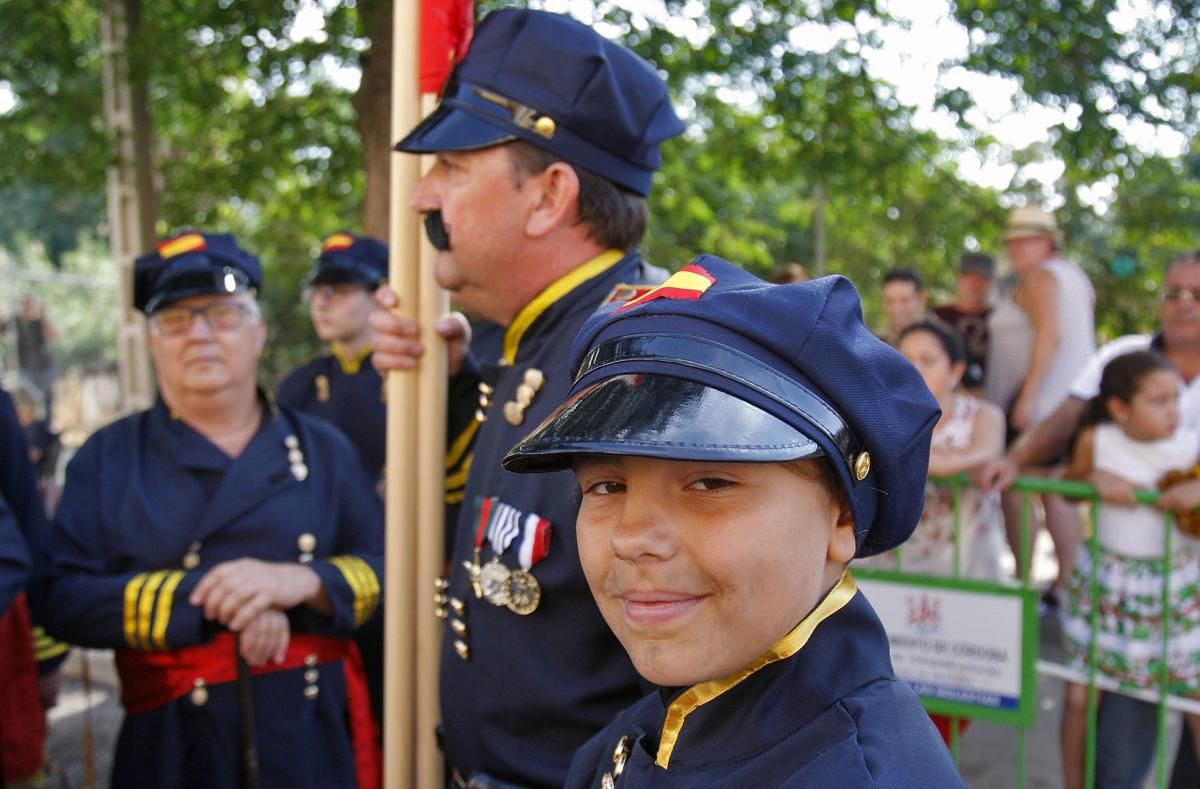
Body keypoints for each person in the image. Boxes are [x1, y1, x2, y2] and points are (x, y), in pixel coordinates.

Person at [500, 257, 963, 786]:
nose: (631, 537)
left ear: (840, 516)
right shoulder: (647, 733)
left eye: (710, 484)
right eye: (606, 486)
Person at [371, 8, 684, 785]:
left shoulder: (641, 371)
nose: (421, 199)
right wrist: (444, 400)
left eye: (451, 167)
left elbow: (699, 700)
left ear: (549, 197)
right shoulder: (531, 348)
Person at [35, 231, 384, 788]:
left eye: (223, 314)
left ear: (259, 332)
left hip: (310, 738)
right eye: (174, 320)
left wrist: (300, 581)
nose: (199, 334)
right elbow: (59, 596)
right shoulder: (108, 457)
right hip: (172, 747)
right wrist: (217, 599)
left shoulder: (324, 449)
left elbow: (390, 566)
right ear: (152, 342)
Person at [975, 250, 1200, 787]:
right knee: (1117, 742)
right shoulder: (1125, 357)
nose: (1183, 305)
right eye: (1174, 292)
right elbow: (1067, 417)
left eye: (1196, 294)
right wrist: (1014, 459)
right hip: (1126, 593)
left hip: (1186, 594)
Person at [1058, 350, 1200, 789]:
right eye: (1159, 401)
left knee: (1195, 699)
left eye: (1175, 399)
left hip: (1173, 589)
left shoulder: (1190, 444)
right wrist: (1092, 480)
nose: (1173, 411)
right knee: (1081, 697)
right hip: (1107, 586)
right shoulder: (1097, 440)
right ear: (1120, 408)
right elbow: (1067, 487)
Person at [986, 206, 1095, 598]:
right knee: (1055, 490)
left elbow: (1052, 335)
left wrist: (1028, 396)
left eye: (1024, 239)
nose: (1015, 247)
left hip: (1042, 405)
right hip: (1072, 402)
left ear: (1046, 241)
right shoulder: (1075, 277)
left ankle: (1025, 581)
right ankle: (1066, 587)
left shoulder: (1040, 276)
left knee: (1015, 485)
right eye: (1012, 240)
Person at [864, 320, 1006, 581]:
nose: (915, 370)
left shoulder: (985, 414)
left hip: (968, 556)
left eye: (928, 360)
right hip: (894, 557)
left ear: (956, 370)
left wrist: (926, 460)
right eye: (906, 359)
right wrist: (951, 460)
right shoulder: (881, 415)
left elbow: (986, 452)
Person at [277, 232, 388, 481]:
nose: (322, 303)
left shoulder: (412, 379)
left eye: (339, 290)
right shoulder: (299, 386)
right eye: (318, 291)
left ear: (381, 295)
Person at [932, 252, 995, 393]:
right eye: (969, 277)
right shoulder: (937, 316)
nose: (975, 284)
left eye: (982, 279)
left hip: (994, 395)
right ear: (958, 280)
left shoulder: (999, 319)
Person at [880, 266, 927, 344]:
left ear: (922, 299)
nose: (896, 309)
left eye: (905, 300)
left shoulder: (942, 343)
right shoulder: (878, 345)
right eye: (890, 301)